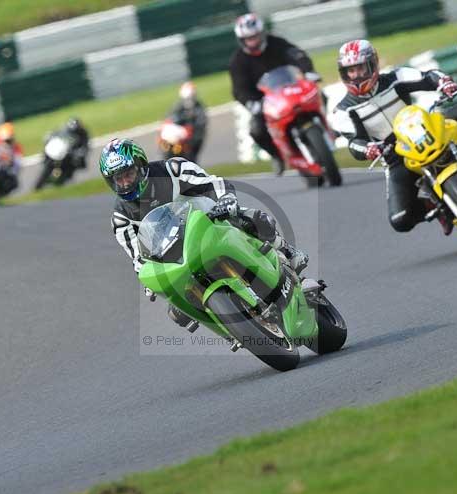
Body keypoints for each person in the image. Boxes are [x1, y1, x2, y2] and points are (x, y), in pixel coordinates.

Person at [101, 138, 309, 330]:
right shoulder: (121, 218)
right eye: (118, 179)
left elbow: (212, 183)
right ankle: (231, 329)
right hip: (173, 254)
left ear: (141, 166)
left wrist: (226, 199)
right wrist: (150, 282)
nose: (125, 183)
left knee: (254, 218)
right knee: (177, 312)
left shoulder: (172, 169)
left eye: (128, 174)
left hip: (210, 221)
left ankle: (287, 252)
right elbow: (138, 259)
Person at [331, 39, 457, 236]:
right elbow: (354, 143)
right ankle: (441, 208)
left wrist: (443, 83)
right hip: (395, 154)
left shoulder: (395, 77)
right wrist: (370, 149)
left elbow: (428, 76)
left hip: (425, 129)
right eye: (350, 71)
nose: (355, 75)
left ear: (373, 64)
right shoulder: (343, 111)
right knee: (400, 219)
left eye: (360, 68)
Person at [229, 12, 322, 175]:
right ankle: (277, 155)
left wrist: (309, 72)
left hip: (291, 89)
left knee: (320, 96)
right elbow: (239, 89)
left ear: (262, 33)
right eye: (248, 38)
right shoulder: (237, 61)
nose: (253, 41)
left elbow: (298, 55)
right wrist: (252, 103)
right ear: (241, 40)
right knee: (256, 129)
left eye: (255, 36)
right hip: (264, 102)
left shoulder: (277, 43)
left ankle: (326, 128)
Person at [166, 81, 208, 162]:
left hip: (193, 139)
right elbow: (170, 118)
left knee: (190, 159)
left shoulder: (199, 108)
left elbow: (201, 125)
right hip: (179, 138)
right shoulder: (178, 106)